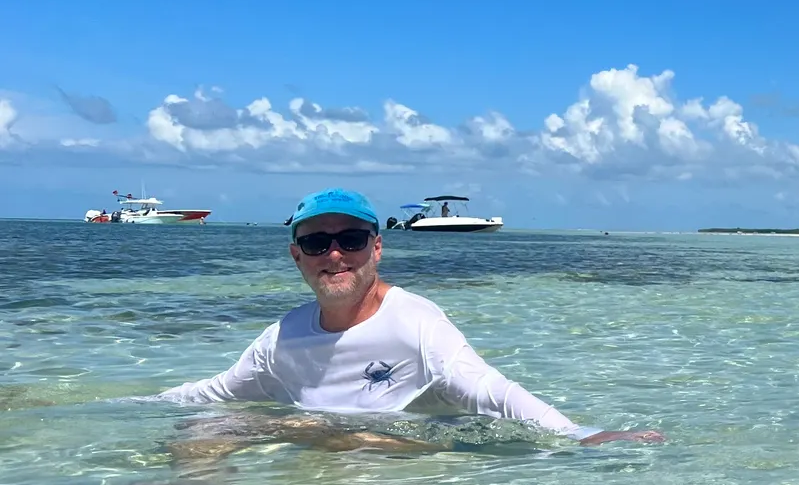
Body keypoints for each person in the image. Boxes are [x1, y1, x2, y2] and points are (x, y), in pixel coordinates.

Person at [158, 187, 660, 452]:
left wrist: (581, 434)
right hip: (322, 453)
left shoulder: (415, 324)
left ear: (376, 248)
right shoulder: (282, 338)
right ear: (297, 256)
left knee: (350, 440)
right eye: (316, 242)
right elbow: (217, 391)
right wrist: (120, 407)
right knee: (204, 430)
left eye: (351, 240)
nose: (334, 254)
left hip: (401, 459)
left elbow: (492, 391)